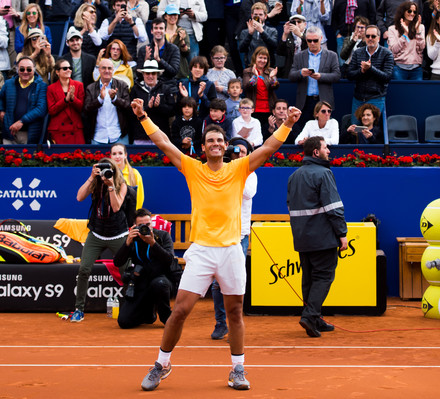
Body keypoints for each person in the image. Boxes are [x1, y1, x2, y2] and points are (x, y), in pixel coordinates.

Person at [131, 95, 301, 392]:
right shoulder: (192, 169)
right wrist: (143, 117)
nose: (215, 144)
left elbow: (270, 147)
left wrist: (287, 123)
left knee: (235, 312)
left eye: (219, 141)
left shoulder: (239, 168)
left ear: (226, 146)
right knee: (181, 310)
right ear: (204, 145)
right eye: (210, 140)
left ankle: (237, 369)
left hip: (232, 250)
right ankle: (162, 363)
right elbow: (163, 144)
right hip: (201, 250)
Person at [287, 135, 347, 338]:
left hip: (302, 238)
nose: (329, 150)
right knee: (323, 277)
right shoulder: (324, 173)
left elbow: (290, 205)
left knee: (309, 279)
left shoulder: (294, 176)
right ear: (316, 152)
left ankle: (315, 317)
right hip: (322, 237)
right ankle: (310, 316)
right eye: (325, 147)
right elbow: (334, 208)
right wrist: (342, 234)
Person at [71, 159, 130, 323]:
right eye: (102, 170)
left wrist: (110, 185)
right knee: (84, 269)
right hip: (96, 234)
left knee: (126, 272)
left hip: (118, 234)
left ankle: (129, 307)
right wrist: (91, 177)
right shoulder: (95, 183)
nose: (105, 173)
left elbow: (116, 206)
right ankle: (79, 309)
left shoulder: (121, 185)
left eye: (108, 170)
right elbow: (79, 197)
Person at [210, 136, 257, 340]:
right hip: (218, 233)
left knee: (235, 281)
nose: (238, 155)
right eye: (235, 151)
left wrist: (235, 168)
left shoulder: (250, 173)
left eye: (242, 152)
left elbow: (246, 193)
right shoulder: (220, 169)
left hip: (239, 234)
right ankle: (220, 323)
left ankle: (233, 323)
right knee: (217, 283)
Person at [114, 208, 180, 328]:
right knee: (124, 322)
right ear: (135, 226)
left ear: (152, 223)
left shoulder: (162, 236)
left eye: (148, 224)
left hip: (161, 279)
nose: (145, 227)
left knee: (159, 284)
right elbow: (117, 262)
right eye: (141, 225)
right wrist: (127, 243)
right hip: (141, 281)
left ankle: (166, 317)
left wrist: (153, 243)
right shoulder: (133, 239)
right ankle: (149, 314)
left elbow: (169, 260)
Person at [288, 26, 340, 129]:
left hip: (323, 100)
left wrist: (321, 76)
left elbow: (337, 76)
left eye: (315, 40)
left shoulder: (331, 55)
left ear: (321, 39)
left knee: (324, 131)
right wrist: (300, 73)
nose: (312, 43)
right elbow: (291, 75)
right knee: (304, 132)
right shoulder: (299, 56)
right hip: (305, 101)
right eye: (309, 40)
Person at [347, 24, 393, 124]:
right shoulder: (357, 52)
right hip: (358, 98)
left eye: (373, 36)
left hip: (376, 98)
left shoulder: (387, 53)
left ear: (379, 38)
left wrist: (370, 68)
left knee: (373, 132)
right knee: (356, 130)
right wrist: (361, 71)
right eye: (367, 36)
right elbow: (349, 75)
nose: (370, 38)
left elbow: (387, 77)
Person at [0, 56, 48, 144]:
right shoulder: (8, 83)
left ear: (34, 70)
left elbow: (41, 109)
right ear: (17, 70)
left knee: (28, 158)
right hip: (9, 133)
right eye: (22, 69)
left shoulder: (41, 86)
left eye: (29, 69)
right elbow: (0, 98)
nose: (25, 72)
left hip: (29, 134)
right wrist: (1, 110)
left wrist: (22, 121)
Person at [84, 57, 131, 145]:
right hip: (98, 137)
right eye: (104, 68)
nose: (107, 71)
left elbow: (129, 107)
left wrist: (115, 99)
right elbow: (86, 109)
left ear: (113, 70)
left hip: (119, 135)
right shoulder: (90, 88)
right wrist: (99, 99)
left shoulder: (122, 85)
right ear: (99, 70)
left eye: (109, 68)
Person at [130, 59, 175, 143]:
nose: (150, 76)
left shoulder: (166, 89)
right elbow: (131, 113)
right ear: (143, 74)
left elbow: (172, 111)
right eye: (147, 73)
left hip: (161, 136)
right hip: (141, 137)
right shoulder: (135, 89)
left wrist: (159, 106)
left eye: (153, 73)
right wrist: (147, 107)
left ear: (158, 74)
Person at [46, 58, 85, 144]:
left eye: (70, 68)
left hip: (75, 130)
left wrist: (73, 99)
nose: (68, 70)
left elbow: (81, 108)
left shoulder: (79, 85)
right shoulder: (51, 88)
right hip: (59, 130)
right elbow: (51, 110)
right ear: (57, 72)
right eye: (65, 68)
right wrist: (65, 100)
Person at [242, 46, 279, 132]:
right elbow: (247, 87)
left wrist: (272, 78)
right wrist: (255, 76)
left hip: (268, 109)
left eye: (265, 58)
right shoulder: (248, 71)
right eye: (260, 57)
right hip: (254, 109)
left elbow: (276, 86)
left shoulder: (270, 71)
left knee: (267, 132)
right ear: (255, 57)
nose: (262, 60)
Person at [387, 1, 425, 80]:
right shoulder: (392, 29)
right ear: (403, 12)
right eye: (409, 11)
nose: (412, 13)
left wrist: (417, 31)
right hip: (399, 68)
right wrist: (405, 34)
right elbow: (394, 49)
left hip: (416, 68)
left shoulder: (420, 27)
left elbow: (421, 48)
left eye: (414, 12)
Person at [136, 17, 181, 84]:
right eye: (156, 28)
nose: (158, 31)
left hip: (168, 86)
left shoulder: (174, 49)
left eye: (161, 28)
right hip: (149, 86)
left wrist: (159, 60)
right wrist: (146, 61)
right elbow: (139, 75)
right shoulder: (143, 50)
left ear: (165, 31)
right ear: (151, 31)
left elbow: (174, 72)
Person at [332, 0, 376, 65]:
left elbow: (372, 15)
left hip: (362, 37)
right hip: (343, 35)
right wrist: (337, 33)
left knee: (362, 63)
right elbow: (334, 16)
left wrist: (368, 33)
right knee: (343, 63)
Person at [178, 55, 217, 120]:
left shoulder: (210, 85)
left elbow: (213, 107)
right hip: (188, 121)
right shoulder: (184, 85)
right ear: (191, 69)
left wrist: (202, 96)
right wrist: (185, 98)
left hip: (204, 120)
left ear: (204, 70)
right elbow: (178, 108)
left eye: (201, 67)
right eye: (195, 67)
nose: (197, 70)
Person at [110, 143, 145, 209]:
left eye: (120, 153)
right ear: (111, 156)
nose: (117, 157)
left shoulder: (135, 173)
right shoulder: (108, 174)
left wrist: (134, 214)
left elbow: (140, 197)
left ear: (125, 155)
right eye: (114, 154)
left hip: (130, 214)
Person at [163, 4, 190, 79]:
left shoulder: (182, 31)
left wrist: (182, 42)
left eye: (175, 14)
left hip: (180, 72)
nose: (173, 17)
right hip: (164, 71)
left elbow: (186, 52)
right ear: (165, 16)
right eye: (170, 14)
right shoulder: (160, 32)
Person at [277, 14, 307, 79]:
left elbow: (311, 47)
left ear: (305, 24)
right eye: (293, 22)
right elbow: (280, 52)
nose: (296, 24)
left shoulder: (309, 34)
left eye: (299, 22)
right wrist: (285, 34)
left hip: (305, 68)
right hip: (290, 68)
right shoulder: (288, 35)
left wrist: (300, 34)